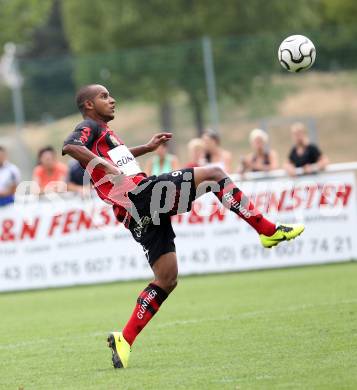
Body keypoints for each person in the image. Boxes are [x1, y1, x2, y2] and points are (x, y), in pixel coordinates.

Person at [62, 84, 304, 369]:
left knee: (166, 278)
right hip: (137, 195)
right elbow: (70, 146)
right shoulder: (89, 125)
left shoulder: (105, 132)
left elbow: (116, 160)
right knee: (214, 174)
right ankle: (266, 230)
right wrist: (106, 166)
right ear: (88, 105)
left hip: (133, 211)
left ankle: (124, 339)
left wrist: (146, 148)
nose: (112, 99)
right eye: (104, 96)